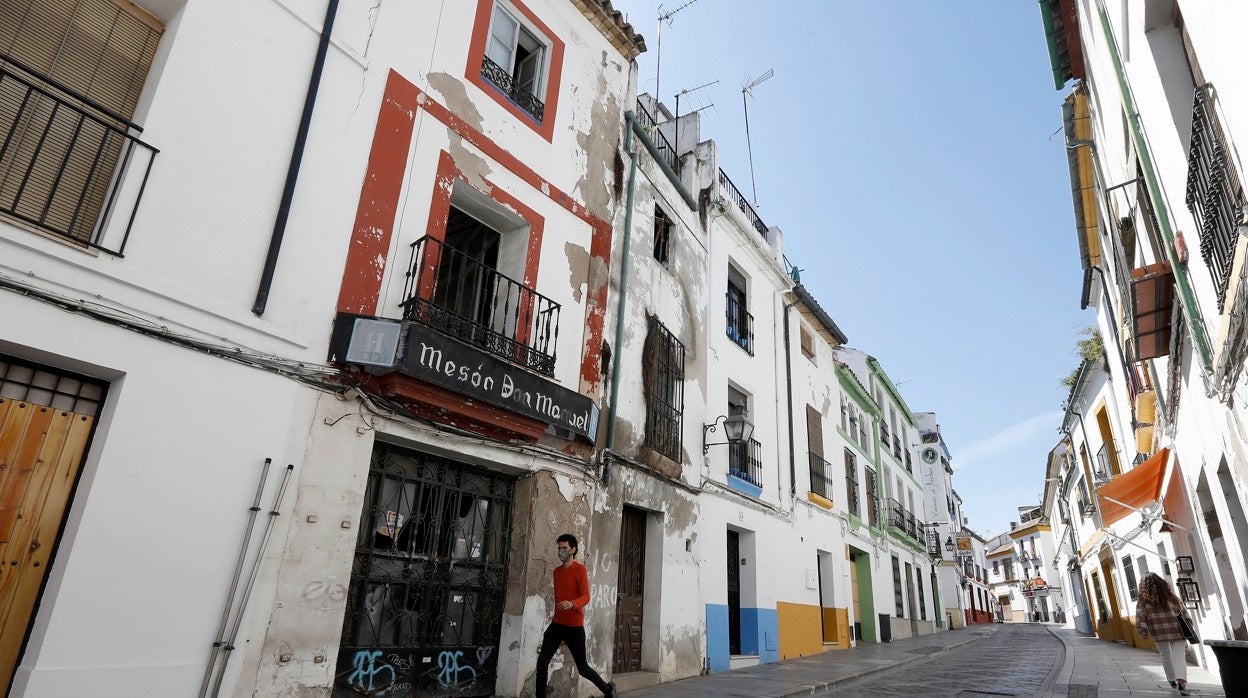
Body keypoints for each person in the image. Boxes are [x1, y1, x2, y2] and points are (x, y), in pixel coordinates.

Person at [535, 533, 617, 697]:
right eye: (559, 548)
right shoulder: (556, 572)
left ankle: (608, 690)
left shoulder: (580, 569)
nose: (561, 551)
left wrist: (572, 603)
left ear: (573, 549)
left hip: (574, 627)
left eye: (564, 548)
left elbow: (586, 596)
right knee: (542, 662)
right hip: (557, 625)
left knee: (583, 668)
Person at [1136, 573, 1193, 695]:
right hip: (1177, 630)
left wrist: (1143, 631)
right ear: (1161, 583)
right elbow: (1183, 611)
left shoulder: (1144, 600)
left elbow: (1141, 616)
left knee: (1165, 656)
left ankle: (1172, 679)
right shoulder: (1171, 596)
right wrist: (1189, 622)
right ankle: (1181, 683)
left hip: (1158, 631)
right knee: (1179, 656)